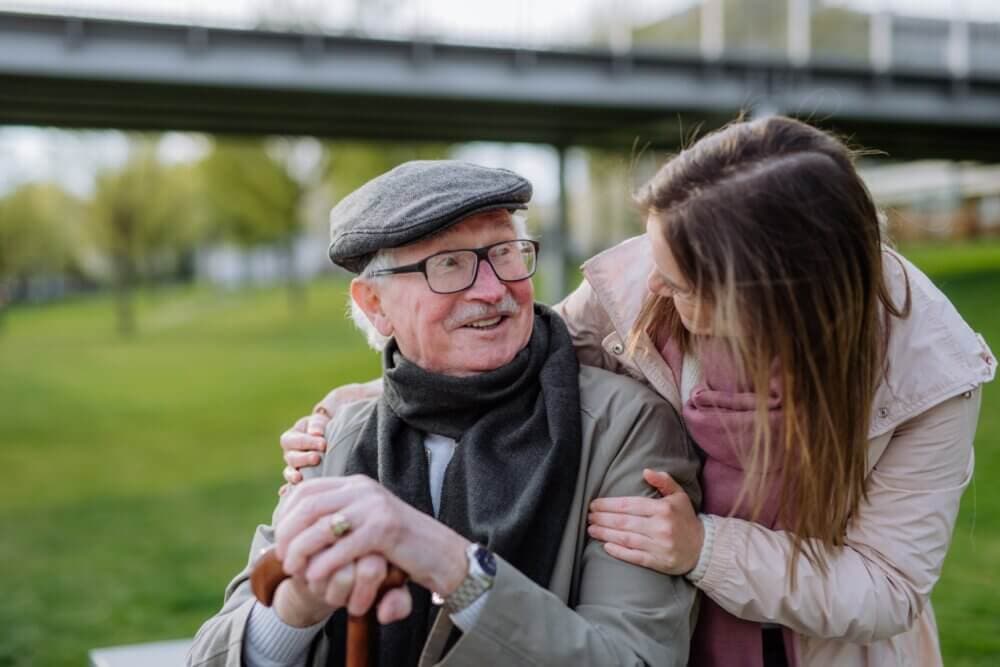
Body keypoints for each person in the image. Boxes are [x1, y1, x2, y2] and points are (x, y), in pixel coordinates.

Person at [281, 118, 995, 666]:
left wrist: (704, 546)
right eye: (658, 261)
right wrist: (380, 402)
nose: (654, 290)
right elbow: (518, 345)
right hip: (669, 620)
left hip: (822, 645)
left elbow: (887, 584)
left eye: (680, 284)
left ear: (767, 301)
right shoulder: (648, 282)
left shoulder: (927, 372)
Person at [188, 160, 702, 667]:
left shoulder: (622, 426)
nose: (493, 289)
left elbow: (635, 658)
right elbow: (210, 657)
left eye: (504, 253)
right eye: (448, 264)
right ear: (374, 305)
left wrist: (445, 561)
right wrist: (297, 604)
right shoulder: (337, 435)